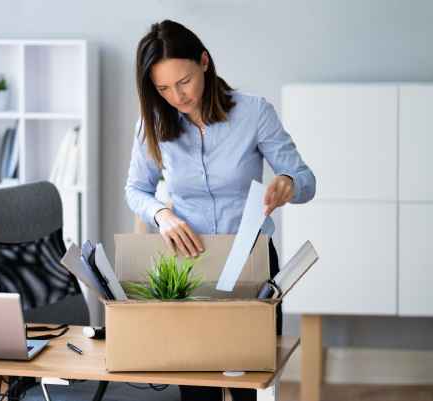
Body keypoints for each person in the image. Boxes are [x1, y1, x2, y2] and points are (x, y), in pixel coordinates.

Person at [124, 20, 316, 401]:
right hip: (188, 266)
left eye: (184, 81)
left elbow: (306, 180)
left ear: (205, 62)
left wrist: (288, 184)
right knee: (196, 387)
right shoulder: (153, 122)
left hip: (252, 262)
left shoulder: (254, 112)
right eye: (163, 88)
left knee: (250, 381)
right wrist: (162, 214)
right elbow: (136, 190)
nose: (177, 96)